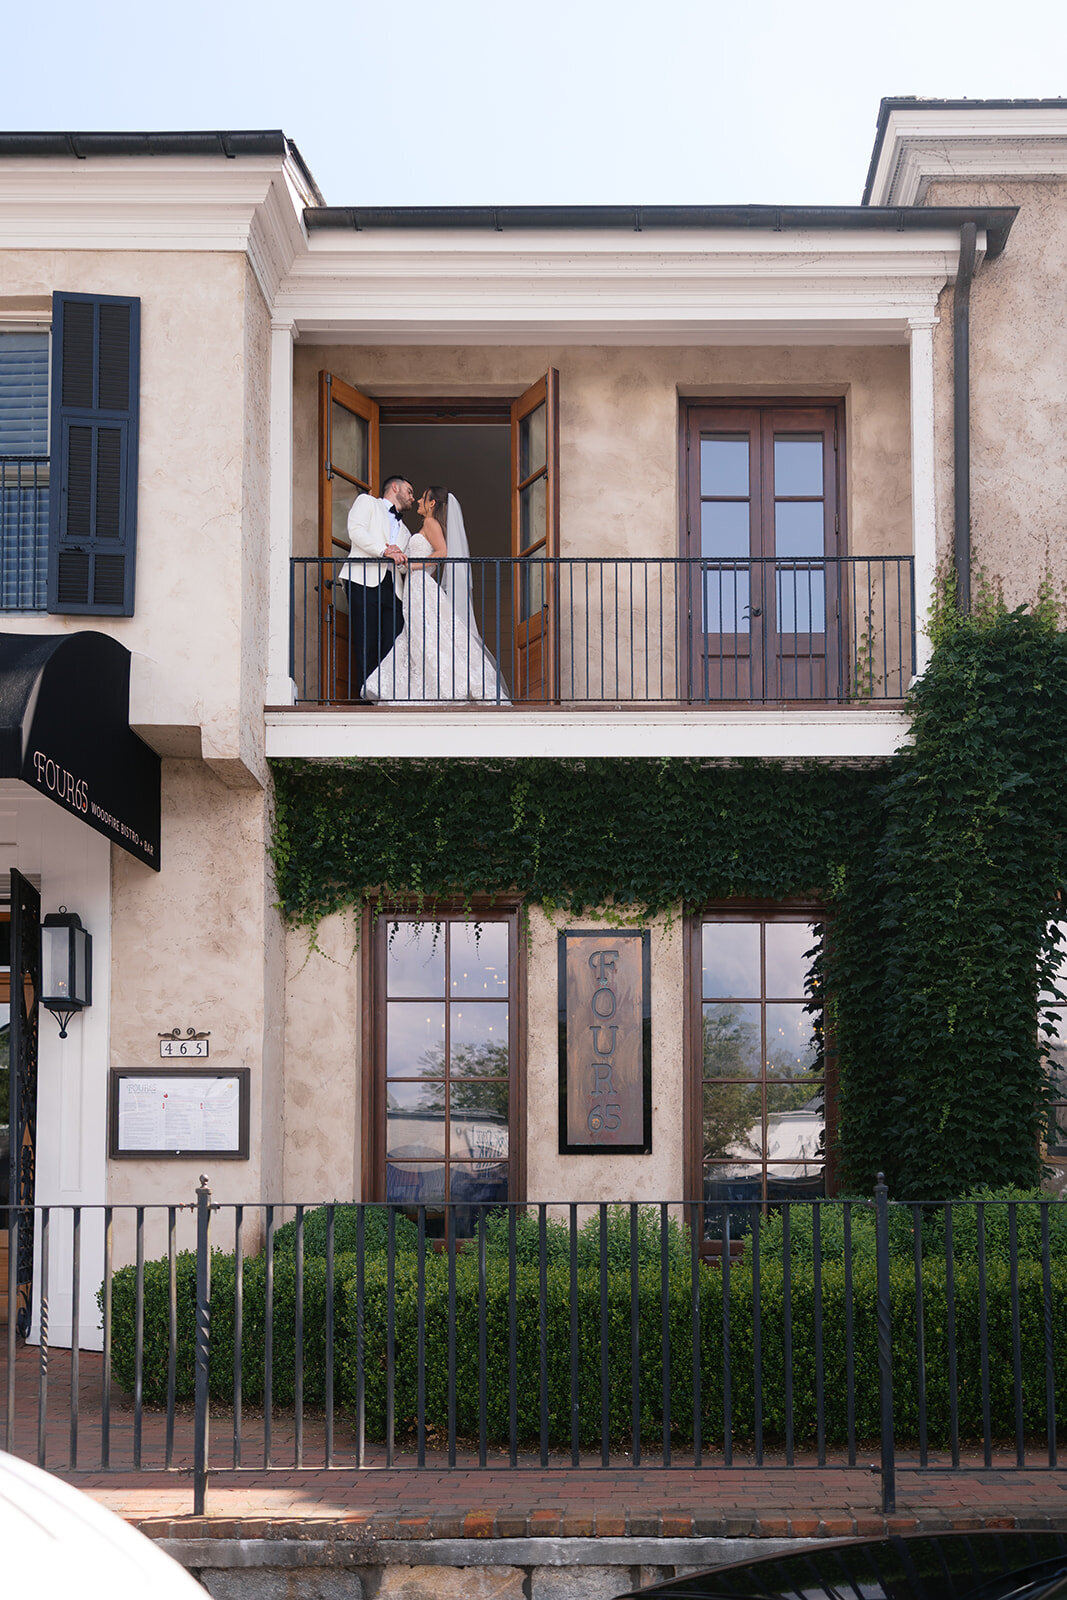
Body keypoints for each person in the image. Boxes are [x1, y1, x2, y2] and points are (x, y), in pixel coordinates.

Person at [363, 486, 509, 704]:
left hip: (422, 586)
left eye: (423, 498)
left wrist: (413, 565)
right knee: (419, 637)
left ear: (432, 503)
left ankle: (451, 687)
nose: (419, 501)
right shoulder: (425, 525)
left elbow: (443, 552)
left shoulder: (431, 523)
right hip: (415, 586)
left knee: (427, 637)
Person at [338, 474, 414, 699]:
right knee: (366, 640)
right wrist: (384, 550)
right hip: (364, 580)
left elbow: (403, 566)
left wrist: (400, 561)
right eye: (409, 491)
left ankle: (387, 698)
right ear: (394, 487)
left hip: (393, 590)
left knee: (391, 646)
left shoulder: (407, 532)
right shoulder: (367, 502)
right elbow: (356, 531)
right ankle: (366, 699)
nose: (413, 497)